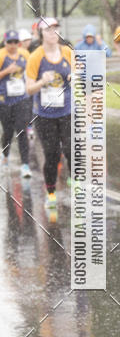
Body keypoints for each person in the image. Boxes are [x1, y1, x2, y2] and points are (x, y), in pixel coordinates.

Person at [26, 17, 73, 209]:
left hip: (67, 111)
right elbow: (29, 89)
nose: (53, 32)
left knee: (72, 149)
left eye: (55, 28)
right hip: (44, 115)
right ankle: (51, 192)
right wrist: (41, 82)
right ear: (40, 34)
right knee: (52, 154)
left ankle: (76, 184)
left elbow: (81, 76)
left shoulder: (68, 53)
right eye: (48, 29)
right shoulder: (36, 57)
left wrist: (74, 77)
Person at [0, 29, 32, 177]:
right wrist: (7, 71)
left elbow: (32, 72)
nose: (13, 45)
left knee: (21, 131)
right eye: (9, 42)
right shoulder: (1, 55)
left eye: (15, 42)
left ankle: (25, 164)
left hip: (22, 100)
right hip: (5, 101)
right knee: (8, 132)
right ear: (5, 43)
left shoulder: (25, 54)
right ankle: (5, 155)